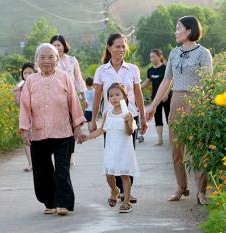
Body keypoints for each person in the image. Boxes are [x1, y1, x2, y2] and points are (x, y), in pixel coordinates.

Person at [146, 16, 213, 205]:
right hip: (176, 100)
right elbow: (167, 81)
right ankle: (181, 187)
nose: (175, 32)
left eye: (178, 28)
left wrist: (204, 105)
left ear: (189, 31)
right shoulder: (174, 53)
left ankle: (201, 191)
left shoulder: (203, 53)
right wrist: (153, 106)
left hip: (197, 100)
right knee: (176, 147)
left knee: (198, 147)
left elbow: (208, 82)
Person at [19, 43, 86, 216]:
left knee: (62, 170)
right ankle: (49, 202)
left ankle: (63, 203)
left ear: (57, 59)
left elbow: (73, 102)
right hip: (38, 133)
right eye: (42, 57)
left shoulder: (64, 77)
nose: (46, 61)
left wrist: (77, 127)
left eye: (51, 57)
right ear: (36, 61)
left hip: (62, 132)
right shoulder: (31, 81)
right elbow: (25, 107)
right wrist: (25, 130)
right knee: (42, 172)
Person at [91, 33, 148, 204]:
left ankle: (126, 192)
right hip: (111, 120)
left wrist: (143, 118)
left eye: (123, 46)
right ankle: (116, 189)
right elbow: (97, 97)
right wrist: (93, 119)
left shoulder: (133, 69)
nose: (121, 49)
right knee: (113, 154)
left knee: (128, 155)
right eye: (117, 46)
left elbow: (138, 95)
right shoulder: (101, 71)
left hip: (130, 117)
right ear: (109, 48)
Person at [83, 83, 139, 213]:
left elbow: (130, 132)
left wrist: (127, 122)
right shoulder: (108, 113)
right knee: (109, 174)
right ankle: (114, 190)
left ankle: (126, 202)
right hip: (111, 149)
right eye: (111, 95)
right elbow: (102, 129)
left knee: (125, 175)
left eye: (118, 95)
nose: (114, 98)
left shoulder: (129, 114)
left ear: (125, 97)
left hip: (124, 149)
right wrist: (87, 137)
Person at [50, 34, 87, 166]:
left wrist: (83, 96)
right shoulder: (51, 61)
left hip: (72, 98)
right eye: (54, 45)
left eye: (58, 45)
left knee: (73, 127)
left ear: (64, 46)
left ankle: (69, 155)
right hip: (55, 99)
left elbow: (78, 78)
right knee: (58, 127)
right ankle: (59, 154)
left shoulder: (72, 60)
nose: (56, 47)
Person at [142, 49, 171, 146]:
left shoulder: (165, 68)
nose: (151, 59)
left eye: (153, 56)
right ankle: (160, 139)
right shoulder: (150, 70)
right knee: (157, 118)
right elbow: (147, 81)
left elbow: (170, 81)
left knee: (169, 118)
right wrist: (137, 87)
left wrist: (166, 93)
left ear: (159, 57)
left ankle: (172, 138)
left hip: (167, 97)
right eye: (150, 57)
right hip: (155, 98)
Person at [12, 62, 37, 172]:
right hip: (25, 117)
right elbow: (18, 104)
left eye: (30, 73)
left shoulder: (39, 84)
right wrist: (17, 94)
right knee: (26, 139)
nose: (27, 75)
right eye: (25, 73)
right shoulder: (20, 86)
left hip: (37, 116)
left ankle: (38, 162)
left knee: (38, 139)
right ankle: (30, 163)